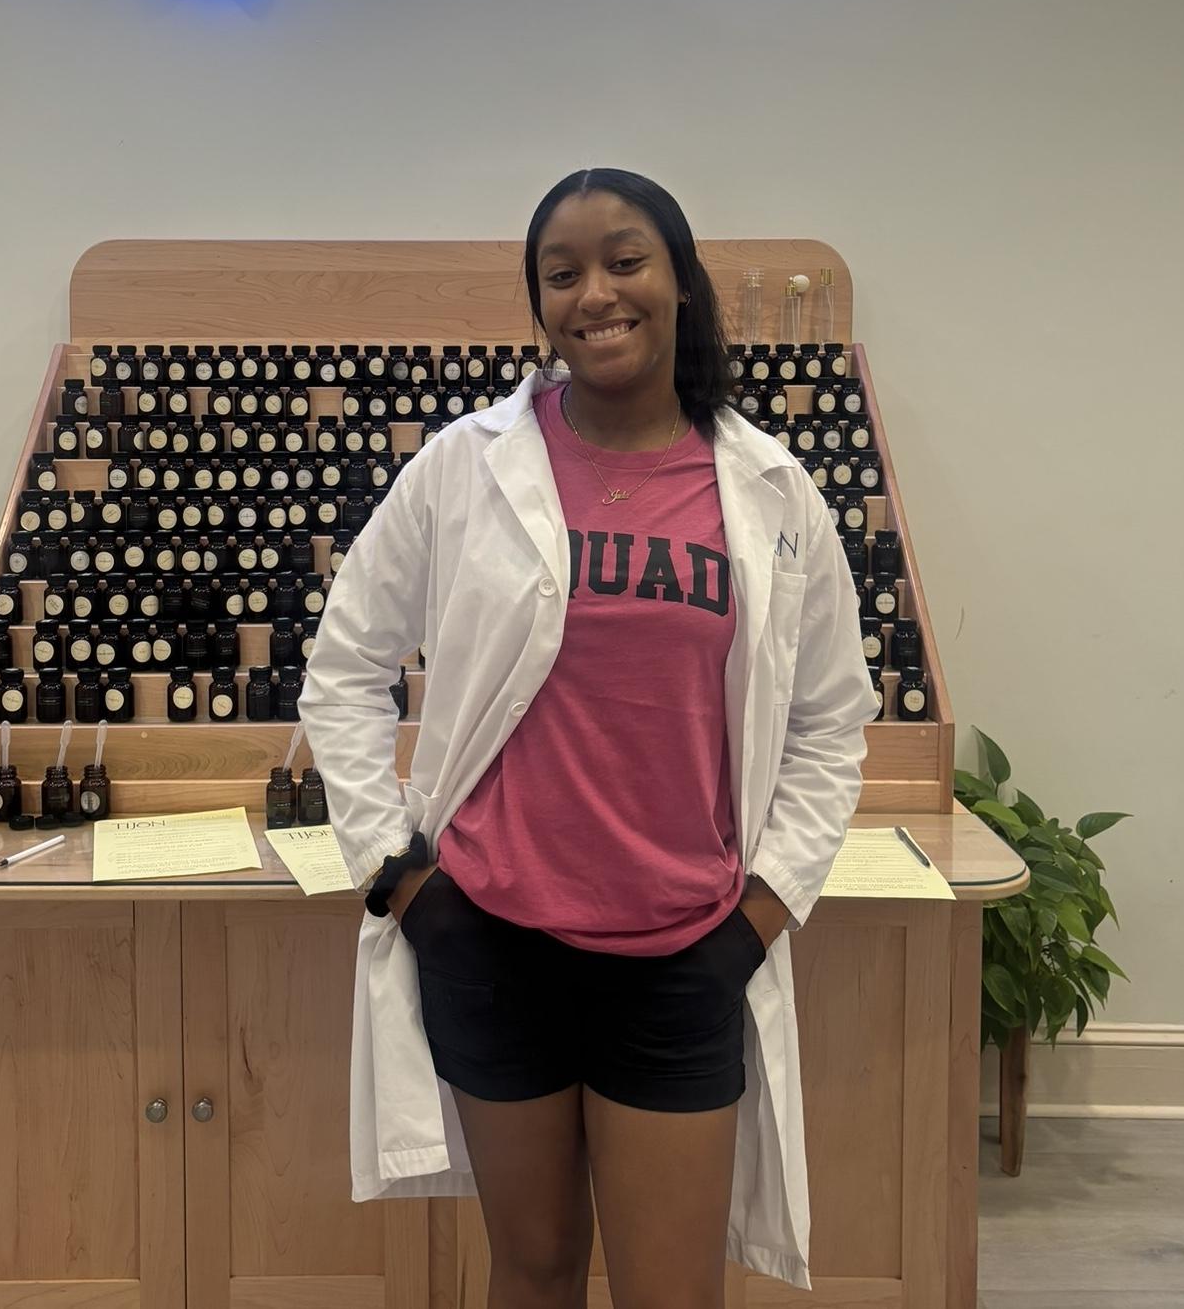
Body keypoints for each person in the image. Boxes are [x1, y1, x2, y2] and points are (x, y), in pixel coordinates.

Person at [299, 167, 881, 1308]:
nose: (595, 295)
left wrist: (758, 918)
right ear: (539, 305)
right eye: (561, 274)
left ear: (680, 281)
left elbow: (829, 721)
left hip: (683, 950)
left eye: (624, 261)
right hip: (491, 939)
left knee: (670, 1291)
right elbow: (345, 665)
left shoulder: (771, 488)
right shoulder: (463, 465)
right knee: (532, 1271)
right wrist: (398, 877)